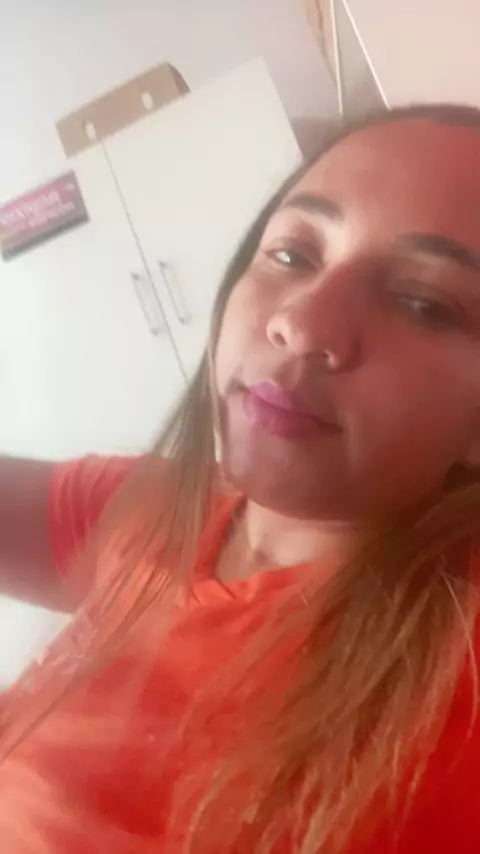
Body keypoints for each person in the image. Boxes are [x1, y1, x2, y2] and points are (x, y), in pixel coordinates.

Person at [0, 103, 480, 853]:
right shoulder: (158, 506)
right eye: (292, 254)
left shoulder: (456, 676)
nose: (303, 323)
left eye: (423, 303)